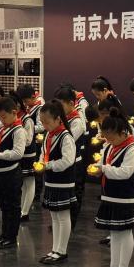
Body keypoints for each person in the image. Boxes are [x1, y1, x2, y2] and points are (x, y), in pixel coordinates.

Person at [91, 108, 134, 267]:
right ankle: (114, 266)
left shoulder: (132, 149)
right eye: (106, 137)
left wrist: (103, 169)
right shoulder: (110, 147)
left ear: (122, 132)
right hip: (109, 194)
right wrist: (97, 168)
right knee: (114, 231)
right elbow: (103, 164)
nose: (108, 140)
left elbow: (125, 173)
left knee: (125, 232)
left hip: (124, 196)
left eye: (111, 137)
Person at [38, 100, 77, 264]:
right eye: (42, 122)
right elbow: (43, 154)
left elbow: (67, 160)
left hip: (63, 182)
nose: (44, 125)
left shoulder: (66, 137)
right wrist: (41, 163)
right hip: (51, 181)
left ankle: (62, 251)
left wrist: (47, 165)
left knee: (63, 216)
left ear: (58, 119)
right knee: (54, 217)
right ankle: (55, 249)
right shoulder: (49, 135)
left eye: (47, 122)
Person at [0, 97, 27, 249]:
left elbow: (18, 153)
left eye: (4, 117)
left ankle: (11, 237)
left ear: (14, 112)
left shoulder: (19, 130)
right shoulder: (3, 129)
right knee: (3, 205)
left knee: (12, 206)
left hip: (11, 173)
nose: (1, 120)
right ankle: (4, 235)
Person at [55, 86, 87, 226]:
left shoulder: (77, 121)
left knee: (74, 195)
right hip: (64, 161)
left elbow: (67, 141)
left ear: (71, 103)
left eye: (61, 105)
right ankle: (63, 221)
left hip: (74, 163)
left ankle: (71, 222)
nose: (59, 109)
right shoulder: (63, 118)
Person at [15, 85, 39, 222]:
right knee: (22, 183)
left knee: (29, 182)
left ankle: (25, 211)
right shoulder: (17, 117)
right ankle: (21, 210)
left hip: (28, 153)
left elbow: (29, 140)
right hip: (20, 152)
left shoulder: (27, 119)